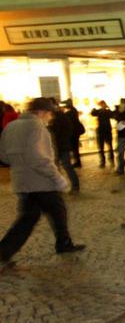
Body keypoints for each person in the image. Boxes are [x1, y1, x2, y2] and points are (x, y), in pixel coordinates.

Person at [0, 98, 85, 272]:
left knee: (29, 218)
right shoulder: (37, 127)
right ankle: (63, 243)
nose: (50, 118)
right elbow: (40, 159)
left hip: (22, 181)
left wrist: (20, 163)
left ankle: (3, 253)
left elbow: (4, 157)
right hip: (41, 182)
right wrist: (58, 179)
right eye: (50, 114)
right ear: (42, 112)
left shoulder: (11, 126)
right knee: (56, 210)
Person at [49, 100, 80, 193]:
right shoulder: (60, 116)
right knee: (58, 167)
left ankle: (74, 186)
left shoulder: (59, 117)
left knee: (65, 166)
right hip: (58, 145)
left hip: (60, 145)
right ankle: (60, 187)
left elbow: (66, 130)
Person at [91, 100, 114, 168]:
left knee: (109, 146)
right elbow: (93, 113)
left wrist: (107, 108)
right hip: (101, 130)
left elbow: (112, 115)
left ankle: (110, 159)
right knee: (101, 147)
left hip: (105, 130)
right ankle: (103, 161)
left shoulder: (107, 110)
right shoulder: (99, 111)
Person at [62, 99, 85, 168]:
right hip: (75, 132)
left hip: (74, 132)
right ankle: (77, 162)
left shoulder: (71, 112)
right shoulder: (73, 111)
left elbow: (68, 118)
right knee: (75, 148)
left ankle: (77, 162)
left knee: (75, 148)